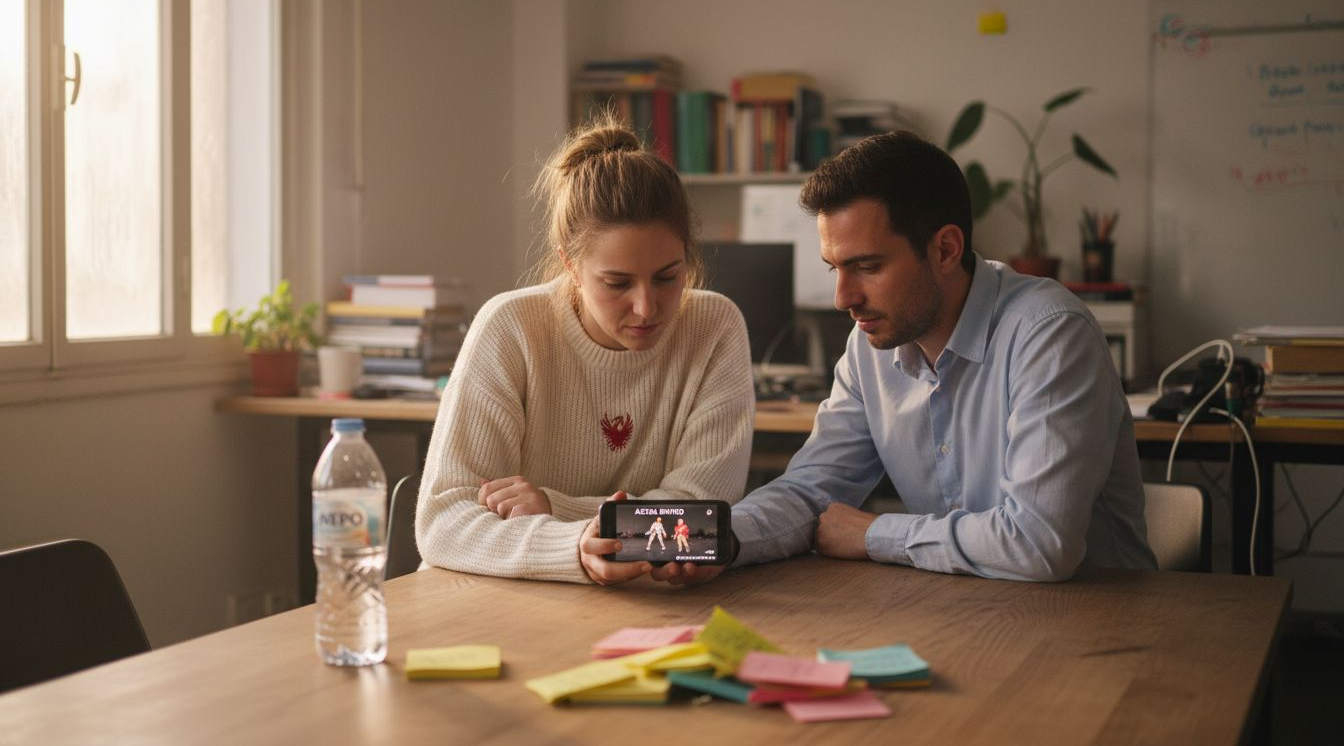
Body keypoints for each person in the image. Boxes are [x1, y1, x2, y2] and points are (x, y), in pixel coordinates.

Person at [654, 130, 1155, 586]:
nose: (844, 298)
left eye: (867, 266)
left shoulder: (1049, 334)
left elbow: (1039, 544)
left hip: (1098, 620)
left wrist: (873, 534)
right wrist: (716, 540)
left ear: (945, 250)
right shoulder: (870, 345)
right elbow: (811, 492)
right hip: (961, 611)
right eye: (834, 268)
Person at [415, 116, 755, 585]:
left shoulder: (714, 327)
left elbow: (699, 521)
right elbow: (443, 523)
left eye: (667, 277)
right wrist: (574, 546)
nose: (646, 307)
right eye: (617, 283)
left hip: (645, 603)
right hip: (495, 599)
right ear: (570, 265)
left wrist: (552, 507)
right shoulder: (511, 327)